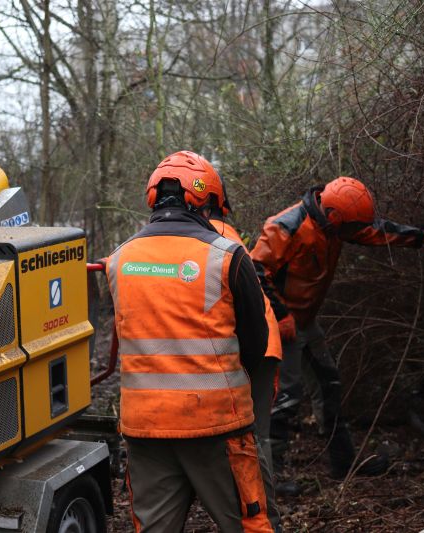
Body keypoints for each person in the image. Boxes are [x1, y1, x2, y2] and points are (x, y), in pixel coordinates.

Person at [105, 151, 276, 532]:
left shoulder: (118, 260)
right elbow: (256, 341)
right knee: (251, 525)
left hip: (144, 427)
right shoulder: (227, 256)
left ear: (153, 198)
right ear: (206, 202)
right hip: (217, 425)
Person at [250, 176, 424, 493]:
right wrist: (281, 314)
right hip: (279, 324)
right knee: (285, 398)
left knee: (329, 384)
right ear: (333, 217)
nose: (354, 232)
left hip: (305, 322)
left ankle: (343, 463)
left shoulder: (337, 224)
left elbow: (374, 230)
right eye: (350, 227)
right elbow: (255, 271)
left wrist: (421, 237)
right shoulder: (285, 226)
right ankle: (269, 481)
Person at [208, 192, 283, 530]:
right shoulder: (218, 231)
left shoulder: (215, 235)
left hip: (253, 343)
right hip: (253, 341)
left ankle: (266, 521)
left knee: (253, 439)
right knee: (250, 437)